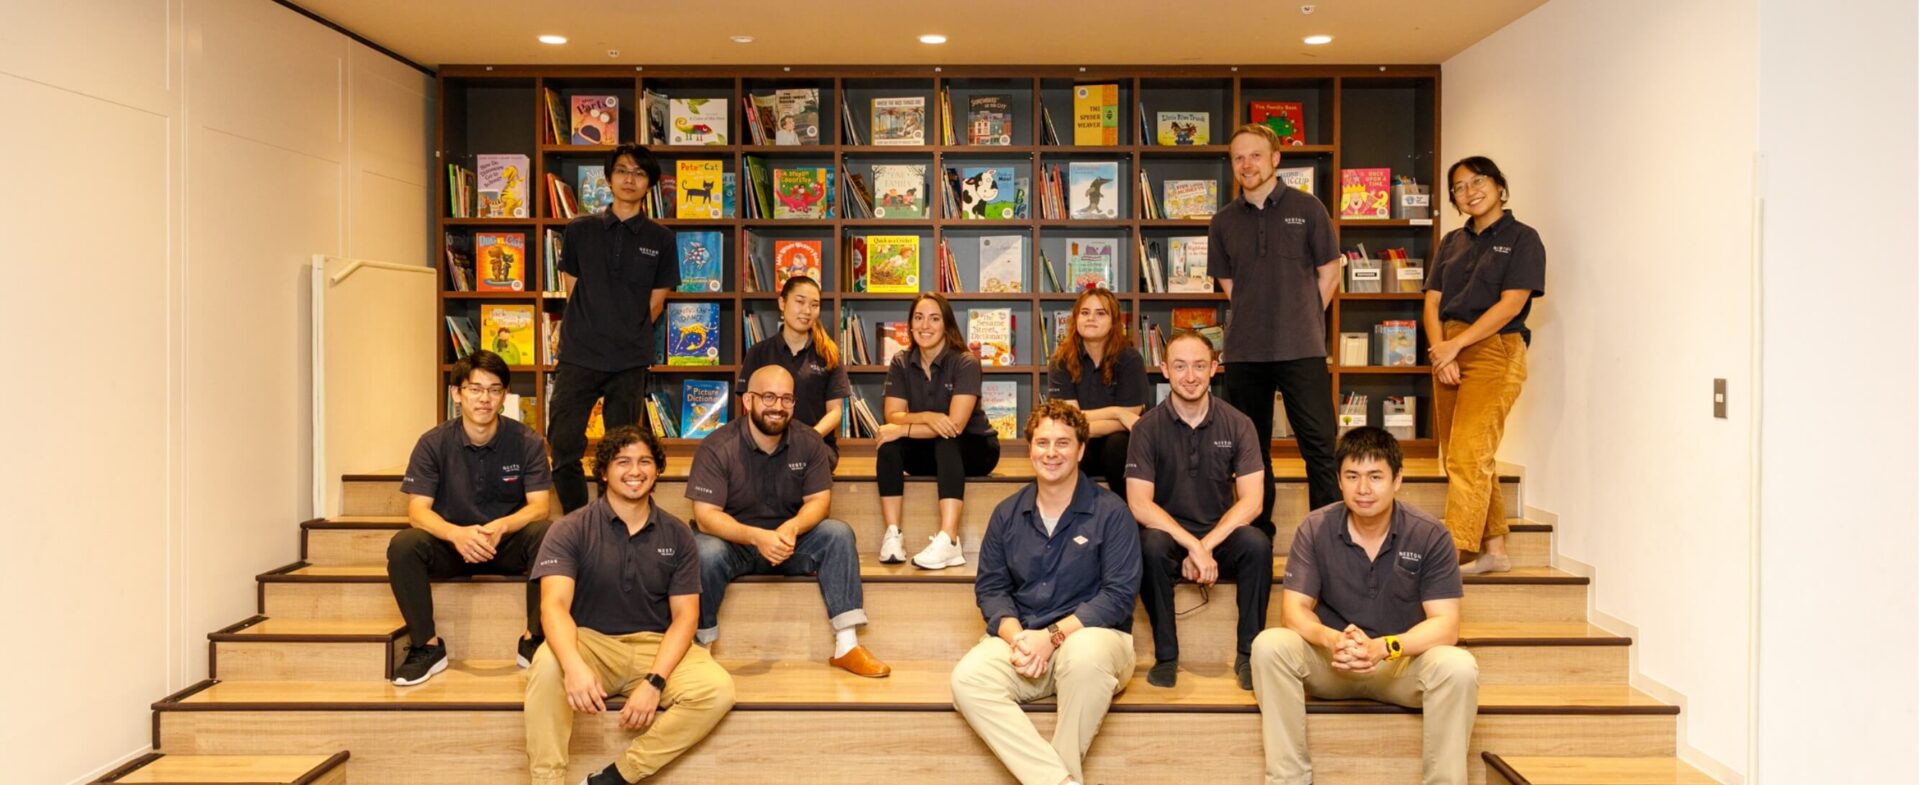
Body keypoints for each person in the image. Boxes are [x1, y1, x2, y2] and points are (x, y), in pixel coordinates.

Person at [1251, 427, 1479, 785]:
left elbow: (1446, 625)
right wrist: (1332, 640)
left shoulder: (1429, 534)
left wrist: (1383, 648)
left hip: (1399, 663)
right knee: (1269, 645)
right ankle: (1289, 780)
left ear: (1397, 479)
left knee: (1459, 667)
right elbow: (1293, 612)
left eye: (1375, 476)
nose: (1363, 489)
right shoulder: (1315, 527)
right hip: (1334, 662)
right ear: (1339, 481)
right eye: (1352, 476)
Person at [524, 426, 735, 785]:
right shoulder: (570, 528)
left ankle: (616, 778)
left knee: (717, 689)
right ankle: (547, 781)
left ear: (657, 470)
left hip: (656, 646)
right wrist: (574, 667)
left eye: (644, 462)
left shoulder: (678, 534)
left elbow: (686, 617)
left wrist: (655, 682)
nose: (635, 471)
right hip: (590, 643)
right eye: (623, 462)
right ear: (604, 472)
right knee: (546, 666)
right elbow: (553, 606)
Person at [950, 401, 1141, 785]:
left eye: (1063, 443)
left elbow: (1118, 596)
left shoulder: (1111, 512)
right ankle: (1059, 782)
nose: (1051, 453)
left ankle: (1056, 773)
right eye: (1042, 443)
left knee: (1084, 655)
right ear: (1030, 449)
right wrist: (1018, 638)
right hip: (1026, 640)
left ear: (1081, 450)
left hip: (1094, 641)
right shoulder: (1007, 513)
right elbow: (991, 589)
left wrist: (1051, 638)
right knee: (967, 679)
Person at [687, 366, 890, 677]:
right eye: (769, 397)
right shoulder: (717, 446)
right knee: (705, 551)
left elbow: (819, 502)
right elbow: (706, 516)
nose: (778, 407)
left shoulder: (809, 441)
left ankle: (847, 646)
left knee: (838, 534)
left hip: (790, 542)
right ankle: (701, 648)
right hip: (735, 544)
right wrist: (757, 537)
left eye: (786, 399)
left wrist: (791, 528)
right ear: (748, 401)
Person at [389, 350, 552, 686]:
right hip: (452, 546)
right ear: (457, 393)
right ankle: (426, 646)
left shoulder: (527, 442)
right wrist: (456, 534)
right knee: (404, 545)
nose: (484, 399)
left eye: (494, 390)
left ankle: (534, 639)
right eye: (475, 389)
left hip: (505, 543)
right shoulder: (432, 443)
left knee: (548, 534)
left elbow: (540, 506)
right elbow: (417, 511)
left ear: (505, 395)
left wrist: (503, 526)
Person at [1210, 122, 1343, 521]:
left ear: (1275, 158)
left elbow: (1329, 274)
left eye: (1255, 155)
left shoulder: (1308, 208)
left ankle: (1328, 538)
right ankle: (1258, 535)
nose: (1247, 164)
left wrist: (1300, 315)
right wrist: (1260, 314)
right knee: (1251, 452)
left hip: (1302, 347)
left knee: (1319, 445)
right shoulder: (1222, 221)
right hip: (1245, 352)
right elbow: (1230, 285)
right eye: (1238, 158)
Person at [1124, 330, 1271, 690]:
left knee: (1257, 544)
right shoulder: (1146, 429)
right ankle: (1166, 656)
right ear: (1164, 370)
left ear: (1214, 369)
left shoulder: (1239, 424)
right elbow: (1139, 503)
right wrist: (1192, 545)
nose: (1190, 376)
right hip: (1170, 536)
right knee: (1149, 545)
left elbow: (1253, 501)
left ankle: (1249, 654)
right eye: (1180, 366)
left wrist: (1205, 546)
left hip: (1220, 535)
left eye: (1199, 366)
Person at [1425, 156, 1546, 574]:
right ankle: (1495, 550)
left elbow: (1511, 303)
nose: (1469, 191)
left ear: (1498, 186)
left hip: (1495, 347)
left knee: (1467, 455)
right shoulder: (1451, 243)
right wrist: (1441, 350)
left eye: (1478, 181)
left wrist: (1455, 345)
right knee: (1465, 455)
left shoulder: (1523, 238)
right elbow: (1433, 302)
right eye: (1459, 187)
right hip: (1449, 347)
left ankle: (1454, 553)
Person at [548, 143, 680, 513]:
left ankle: (613, 518)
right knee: (563, 442)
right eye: (622, 170)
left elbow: (656, 303)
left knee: (622, 450)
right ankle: (578, 519)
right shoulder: (580, 230)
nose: (629, 179)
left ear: (649, 183)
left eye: (639, 173)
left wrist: (624, 331)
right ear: (609, 178)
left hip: (629, 359)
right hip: (579, 354)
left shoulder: (661, 239)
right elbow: (573, 290)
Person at [874, 292, 1001, 569]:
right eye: (918, 318)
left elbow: (954, 425)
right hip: (930, 449)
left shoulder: (965, 361)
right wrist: (928, 417)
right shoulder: (900, 361)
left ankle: (950, 540)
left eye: (934, 319)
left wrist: (904, 429)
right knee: (888, 446)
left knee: (946, 440)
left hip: (976, 449)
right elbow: (892, 414)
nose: (925, 325)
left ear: (946, 325)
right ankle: (893, 535)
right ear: (910, 324)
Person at [1046, 287, 1148, 493]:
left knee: (1117, 446)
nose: (1091, 318)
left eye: (1101, 313)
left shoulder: (1130, 359)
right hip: (1080, 440)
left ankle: (1130, 511)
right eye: (1085, 312)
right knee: (1068, 447)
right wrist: (1116, 412)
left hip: (1119, 443)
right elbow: (1067, 418)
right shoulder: (1060, 360)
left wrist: (1081, 423)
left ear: (1113, 322)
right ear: (1076, 319)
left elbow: (1132, 417)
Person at [736, 275, 851, 456]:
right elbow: (750, 406)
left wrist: (809, 438)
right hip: (767, 446)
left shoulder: (829, 354)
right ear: (782, 303)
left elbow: (835, 412)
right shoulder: (758, 352)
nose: (807, 311)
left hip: (816, 445)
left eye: (814, 305)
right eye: (800, 302)